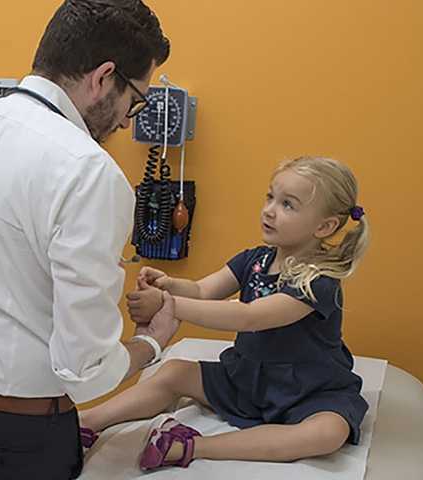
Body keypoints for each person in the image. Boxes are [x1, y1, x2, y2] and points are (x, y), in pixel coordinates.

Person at [0, 1, 176, 479]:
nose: (127, 122)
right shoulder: (89, 173)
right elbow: (85, 366)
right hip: (12, 437)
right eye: (136, 100)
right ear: (103, 77)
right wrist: (150, 344)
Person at [79, 156, 371, 470]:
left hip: (306, 390)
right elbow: (203, 290)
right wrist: (170, 285)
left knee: (328, 433)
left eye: (288, 205)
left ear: (324, 226)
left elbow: (251, 317)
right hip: (246, 380)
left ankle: (189, 445)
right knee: (175, 371)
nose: (270, 210)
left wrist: (168, 305)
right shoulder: (254, 259)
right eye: (270, 197)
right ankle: (86, 422)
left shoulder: (318, 280)